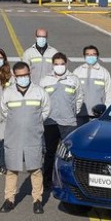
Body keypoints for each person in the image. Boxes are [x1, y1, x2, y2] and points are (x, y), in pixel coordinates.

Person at [0, 62, 50, 214]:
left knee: (35, 169)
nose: (23, 78)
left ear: (30, 74)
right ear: (14, 76)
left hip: (33, 137)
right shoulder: (8, 93)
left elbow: (46, 110)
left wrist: (33, 122)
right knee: (12, 169)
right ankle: (9, 199)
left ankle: (37, 200)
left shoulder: (39, 92)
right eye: (20, 76)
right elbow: (4, 112)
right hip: (13, 137)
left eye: (25, 75)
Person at [40, 52, 83, 189]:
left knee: (68, 154)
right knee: (49, 152)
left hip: (68, 123)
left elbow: (79, 99)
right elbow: (41, 100)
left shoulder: (74, 79)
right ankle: (47, 180)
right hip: (50, 121)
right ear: (53, 65)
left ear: (66, 64)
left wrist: (72, 113)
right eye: (57, 64)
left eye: (62, 64)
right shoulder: (45, 80)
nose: (59, 66)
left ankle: (67, 182)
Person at [73, 45, 111, 124]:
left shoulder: (104, 73)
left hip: (97, 116)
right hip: (79, 115)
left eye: (93, 54)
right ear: (84, 56)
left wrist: (106, 112)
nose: (91, 56)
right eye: (88, 54)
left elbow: (109, 93)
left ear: (97, 56)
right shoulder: (77, 72)